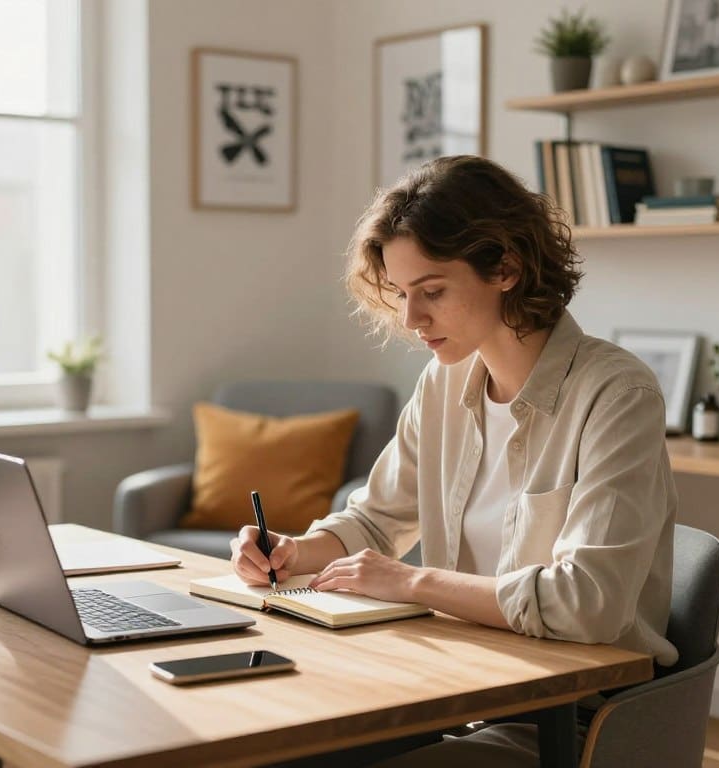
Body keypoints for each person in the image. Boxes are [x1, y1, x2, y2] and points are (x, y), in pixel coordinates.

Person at [230, 155, 677, 766]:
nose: (412, 320)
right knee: (265, 742)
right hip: (457, 692)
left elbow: (588, 603)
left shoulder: (617, 395)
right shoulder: (443, 386)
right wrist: (290, 552)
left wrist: (412, 581)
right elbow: (375, 520)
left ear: (507, 268)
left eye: (433, 292)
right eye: (404, 294)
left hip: (568, 723)